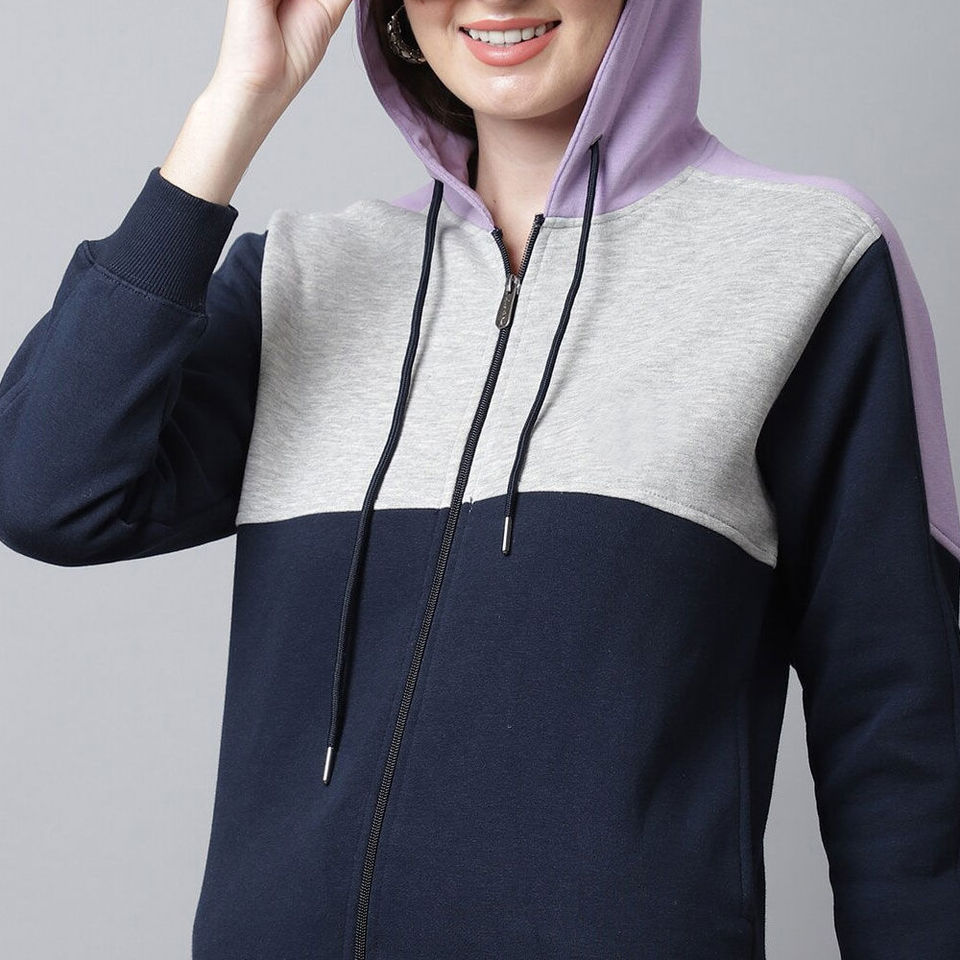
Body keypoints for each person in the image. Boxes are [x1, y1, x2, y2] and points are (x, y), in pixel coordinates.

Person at [1, 0, 958, 956]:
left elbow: (899, 734)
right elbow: (44, 488)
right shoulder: (305, 277)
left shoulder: (804, 259)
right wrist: (235, 103)